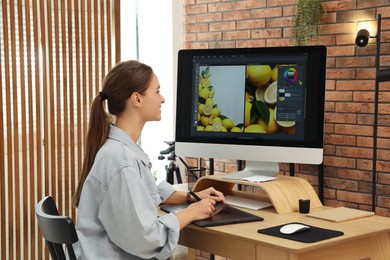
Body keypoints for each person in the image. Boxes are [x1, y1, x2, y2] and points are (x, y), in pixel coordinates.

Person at [72, 60, 225, 259]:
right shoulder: (121, 160)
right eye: (157, 91)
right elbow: (146, 239)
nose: (162, 99)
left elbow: (142, 194)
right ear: (137, 98)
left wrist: (191, 196)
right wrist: (190, 213)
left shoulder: (119, 149)